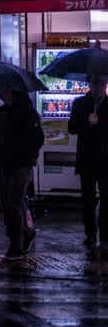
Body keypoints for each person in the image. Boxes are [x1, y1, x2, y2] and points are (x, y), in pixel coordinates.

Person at [0, 89, 43, 260]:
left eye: (6, 91)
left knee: (14, 202)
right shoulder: (1, 112)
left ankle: (16, 245)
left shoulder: (28, 112)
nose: (3, 94)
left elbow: (38, 138)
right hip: (4, 162)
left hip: (21, 164)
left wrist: (30, 156)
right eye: (2, 91)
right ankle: (25, 233)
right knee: (6, 202)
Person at [70, 75, 108, 254]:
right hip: (87, 158)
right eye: (95, 84)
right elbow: (71, 127)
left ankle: (105, 236)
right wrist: (87, 122)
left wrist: (100, 124)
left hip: (106, 159)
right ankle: (90, 234)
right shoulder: (80, 104)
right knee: (88, 199)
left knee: (106, 199)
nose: (99, 88)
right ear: (90, 85)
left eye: (102, 84)